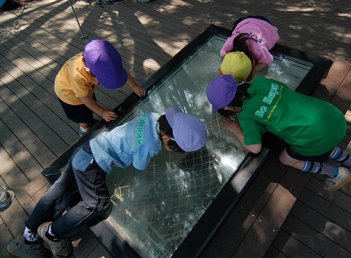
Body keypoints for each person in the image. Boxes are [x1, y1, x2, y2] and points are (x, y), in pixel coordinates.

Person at [7, 106, 207, 258]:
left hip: (87, 150)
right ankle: (52, 233)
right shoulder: (151, 145)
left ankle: (29, 234)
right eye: (174, 147)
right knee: (99, 204)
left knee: (58, 191)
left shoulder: (152, 117)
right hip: (93, 164)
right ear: (168, 138)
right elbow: (139, 165)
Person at [206, 52, 351, 192]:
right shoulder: (260, 82)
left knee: (286, 159)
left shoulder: (246, 116)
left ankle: (335, 174)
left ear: (229, 107)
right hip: (333, 117)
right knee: (320, 138)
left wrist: (235, 129)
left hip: (316, 137)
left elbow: (255, 148)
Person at [54, 39, 146, 136]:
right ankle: (84, 131)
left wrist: (134, 85)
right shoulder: (78, 75)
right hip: (70, 97)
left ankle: (90, 119)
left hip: (86, 90)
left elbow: (119, 71)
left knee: (90, 107)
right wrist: (102, 112)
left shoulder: (98, 60)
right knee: (83, 118)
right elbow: (84, 98)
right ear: (89, 70)